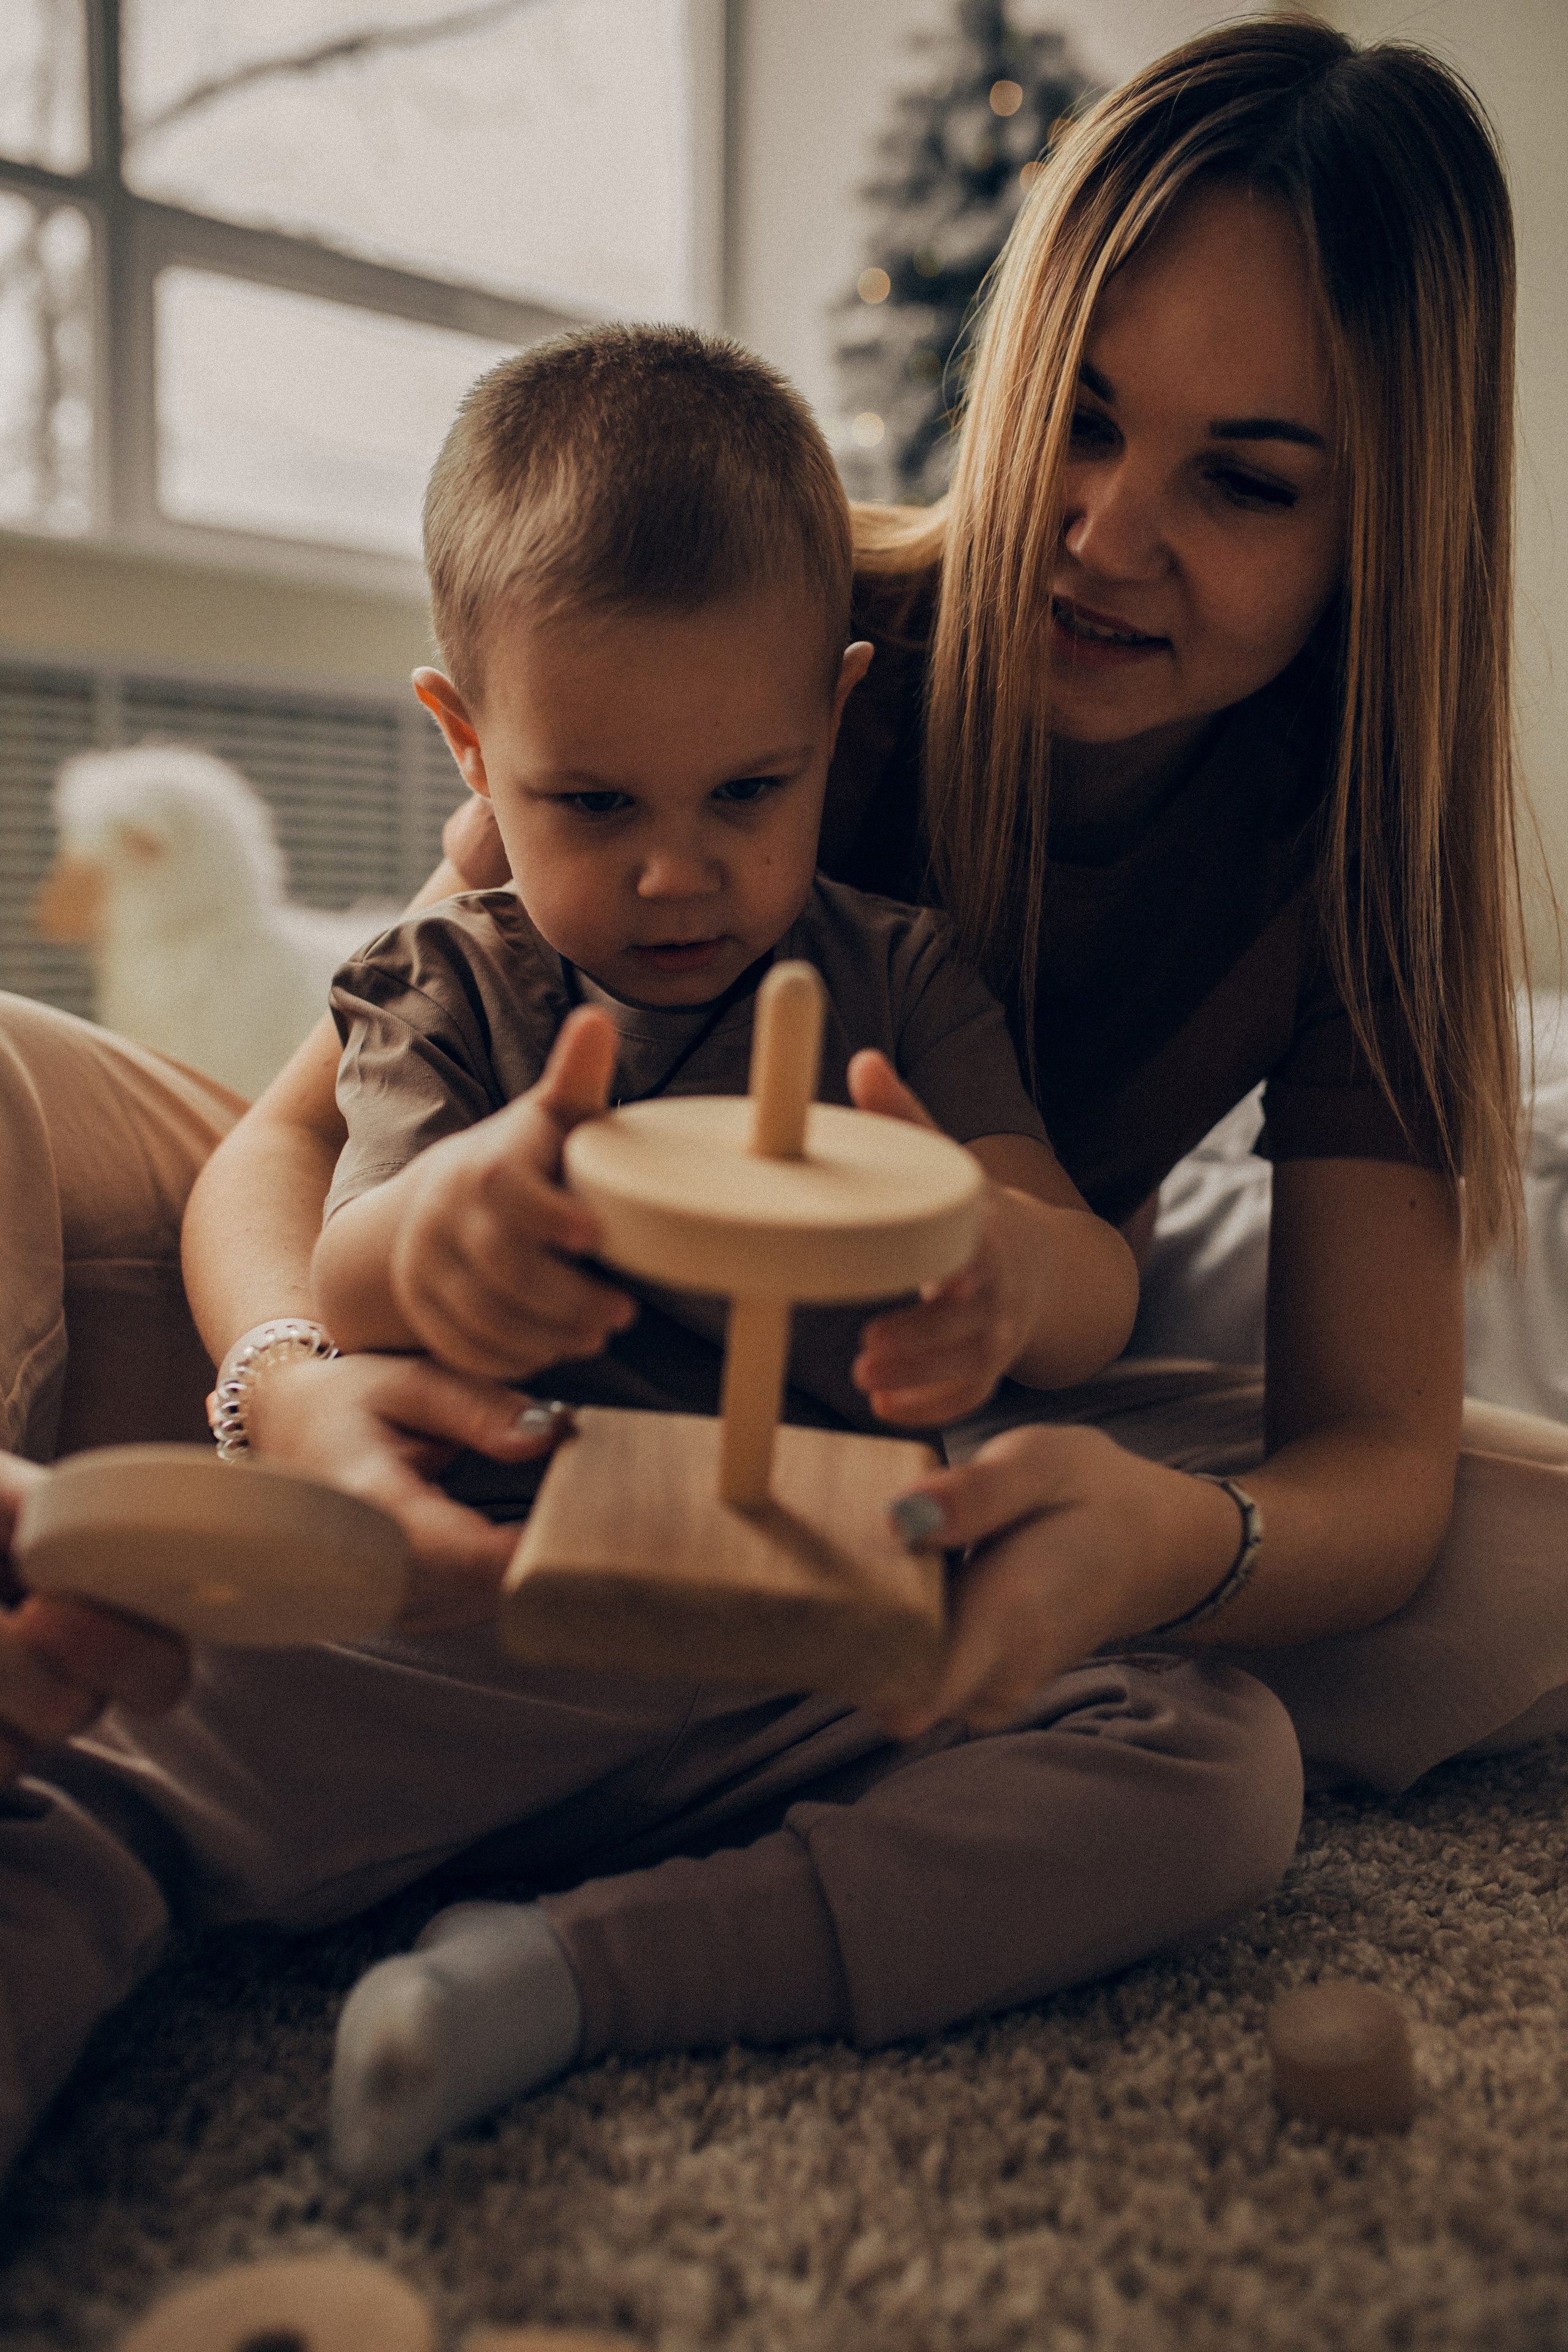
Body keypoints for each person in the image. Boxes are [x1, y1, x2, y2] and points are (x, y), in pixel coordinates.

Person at [0, 317, 1298, 2190]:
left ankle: (568, 1976)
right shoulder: (448, 983)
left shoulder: (898, 980)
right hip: (476, 1612)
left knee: (1212, 1761)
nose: (679, 873)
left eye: (748, 793)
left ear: (834, 719)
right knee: (89, 1787)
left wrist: (1002, 1263)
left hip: (803, 1651)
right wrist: (442, 1232)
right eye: (596, 803)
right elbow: (342, 1265)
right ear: (469, 742)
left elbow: (1089, 1295)